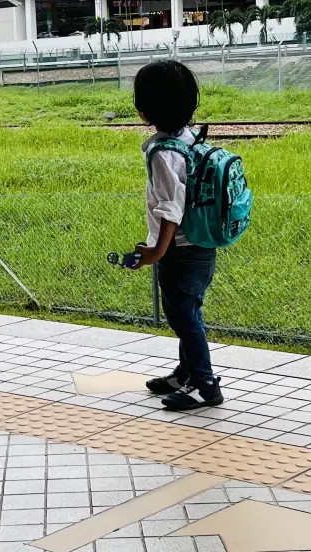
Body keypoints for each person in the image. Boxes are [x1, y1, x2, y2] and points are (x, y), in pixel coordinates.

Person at [132, 60, 223, 411]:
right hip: (202, 245)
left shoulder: (163, 152)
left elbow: (171, 207)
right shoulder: (189, 138)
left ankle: (205, 384)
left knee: (184, 318)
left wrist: (156, 251)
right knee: (189, 312)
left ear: (144, 110)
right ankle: (185, 373)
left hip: (180, 250)